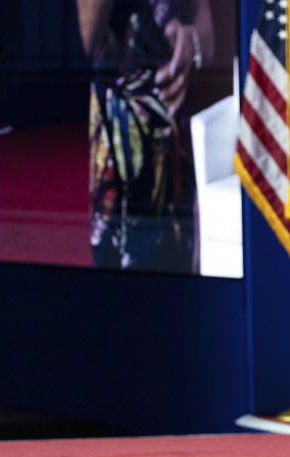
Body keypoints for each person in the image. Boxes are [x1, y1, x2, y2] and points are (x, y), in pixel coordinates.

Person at [77, 0, 214, 273]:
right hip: (117, 127)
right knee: (117, 264)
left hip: (172, 119)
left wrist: (192, 39)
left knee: (177, 266)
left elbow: (208, 43)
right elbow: (89, 38)